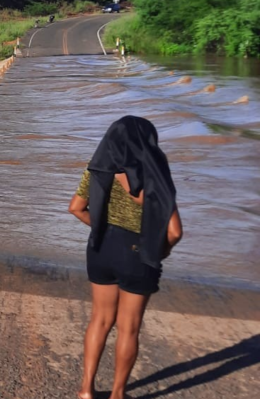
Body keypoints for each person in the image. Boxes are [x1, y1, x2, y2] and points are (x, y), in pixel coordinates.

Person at [68, 116, 183, 399]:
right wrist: (158, 250)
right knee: (128, 328)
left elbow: (76, 208)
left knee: (100, 319)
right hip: (138, 253)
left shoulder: (98, 166)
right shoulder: (154, 170)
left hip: (101, 247)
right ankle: (117, 395)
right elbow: (175, 231)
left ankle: (85, 390)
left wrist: (104, 229)